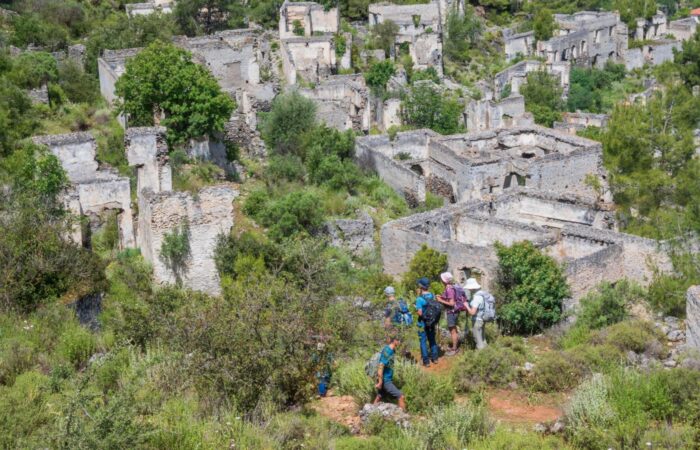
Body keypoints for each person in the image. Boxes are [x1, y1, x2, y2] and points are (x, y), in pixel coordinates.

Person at [374, 333, 406, 411]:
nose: (400, 342)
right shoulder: (388, 351)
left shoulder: (390, 349)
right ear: (394, 341)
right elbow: (380, 367)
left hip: (385, 379)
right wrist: (380, 382)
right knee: (400, 396)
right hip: (386, 381)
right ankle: (403, 418)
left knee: (380, 396)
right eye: (399, 340)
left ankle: (370, 412)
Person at [415, 277, 439, 367]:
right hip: (432, 322)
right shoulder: (432, 295)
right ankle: (435, 358)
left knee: (423, 341)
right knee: (432, 339)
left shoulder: (419, 299)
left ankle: (426, 361)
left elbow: (420, 313)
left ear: (421, 286)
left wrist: (416, 309)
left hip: (422, 323)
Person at [436, 272, 460, 356]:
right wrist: (442, 297)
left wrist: (440, 300)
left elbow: (452, 303)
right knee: (453, 330)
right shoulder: (450, 287)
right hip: (454, 312)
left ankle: (454, 349)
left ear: (444, 281)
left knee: (453, 331)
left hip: (451, 312)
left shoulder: (449, 289)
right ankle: (455, 346)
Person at [464, 278, 487, 349]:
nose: (469, 289)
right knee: (483, 339)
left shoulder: (476, 297)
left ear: (472, 288)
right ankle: (487, 354)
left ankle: (480, 358)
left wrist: (467, 306)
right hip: (482, 319)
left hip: (477, 321)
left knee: (478, 341)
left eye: (469, 288)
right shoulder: (482, 294)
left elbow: (472, 312)